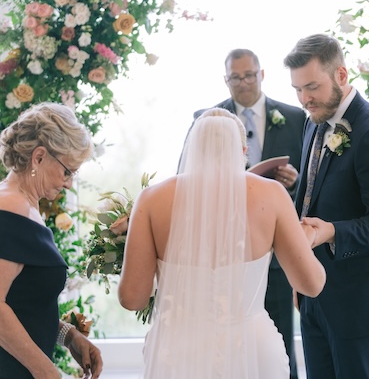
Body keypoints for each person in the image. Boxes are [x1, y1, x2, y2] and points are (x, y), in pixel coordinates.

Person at [118, 108, 326, 378]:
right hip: (253, 349)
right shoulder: (271, 194)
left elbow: (132, 298)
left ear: (192, 149)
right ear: (242, 150)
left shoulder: (151, 200)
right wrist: (309, 237)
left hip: (178, 353)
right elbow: (311, 284)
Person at [283, 33, 369, 378]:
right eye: (297, 89)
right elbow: (313, 192)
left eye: (311, 86)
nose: (304, 99)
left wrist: (330, 232)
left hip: (363, 304)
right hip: (316, 296)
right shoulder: (315, 121)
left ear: (341, 75)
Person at [181, 48, 307, 378]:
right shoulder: (205, 120)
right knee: (221, 345)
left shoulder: (295, 118)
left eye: (249, 75)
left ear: (262, 74)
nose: (243, 83)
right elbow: (186, 180)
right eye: (235, 77)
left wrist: (295, 181)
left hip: (276, 255)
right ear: (226, 80)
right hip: (219, 257)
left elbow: (311, 181)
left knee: (278, 344)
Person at [0, 103, 103, 378]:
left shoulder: (25, 207)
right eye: (68, 171)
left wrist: (68, 335)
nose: (69, 183)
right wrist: (48, 372)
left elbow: (23, 303)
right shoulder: (10, 209)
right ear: (39, 157)